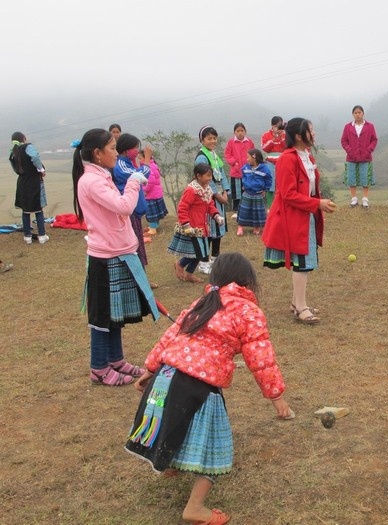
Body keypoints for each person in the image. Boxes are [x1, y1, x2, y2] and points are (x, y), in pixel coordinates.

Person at [125, 253, 293, 525]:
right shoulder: (249, 312)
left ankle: (172, 463)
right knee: (216, 446)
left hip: (166, 378)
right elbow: (262, 360)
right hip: (197, 385)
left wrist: (150, 370)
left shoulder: (203, 301)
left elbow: (169, 337)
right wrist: (277, 398)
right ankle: (195, 508)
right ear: (248, 282)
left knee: (177, 425)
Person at [71, 128, 159, 386]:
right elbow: (124, 206)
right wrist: (134, 180)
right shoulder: (92, 181)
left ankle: (116, 360)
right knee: (102, 317)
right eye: (111, 148)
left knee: (114, 314)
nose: (115, 152)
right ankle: (99, 368)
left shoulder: (101, 175)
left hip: (116, 252)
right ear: (97, 154)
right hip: (104, 256)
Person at [262, 117, 337, 324]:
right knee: (302, 262)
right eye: (310, 130)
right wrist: (317, 204)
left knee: (305, 261)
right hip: (293, 217)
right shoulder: (288, 158)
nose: (314, 134)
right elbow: (287, 194)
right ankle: (301, 307)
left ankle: (297, 303)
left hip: (306, 215)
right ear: (298, 136)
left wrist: (317, 205)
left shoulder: (307, 156)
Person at [168, 163, 225, 284]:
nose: (210, 178)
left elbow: (210, 205)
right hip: (193, 227)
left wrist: (216, 216)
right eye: (208, 176)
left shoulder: (206, 189)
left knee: (202, 253)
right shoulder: (191, 190)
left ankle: (189, 274)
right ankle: (180, 264)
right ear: (198, 176)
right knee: (198, 252)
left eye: (211, 175)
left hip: (203, 227)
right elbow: (182, 208)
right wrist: (186, 225)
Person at [113, 134, 152, 273]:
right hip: (130, 213)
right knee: (134, 248)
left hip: (135, 211)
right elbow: (141, 176)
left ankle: (142, 279)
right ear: (125, 149)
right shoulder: (121, 165)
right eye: (135, 148)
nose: (137, 151)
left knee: (138, 246)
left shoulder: (129, 163)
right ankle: (138, 280)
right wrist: (147, 159)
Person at [195, 126, 229, 275]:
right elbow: (206, 179)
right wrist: (218, 195)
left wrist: (226, 191)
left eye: (214, 138)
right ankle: (203, 262)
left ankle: (216, 259)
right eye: (209, 138)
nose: (212, 141)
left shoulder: (214, 155)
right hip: (207, 198)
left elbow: (222, 173)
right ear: (202, 140)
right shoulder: (202, 156)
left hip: (219, 197)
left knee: (218, 228)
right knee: (208, 230)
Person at [9, 132, 49, 244]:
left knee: (25, 209)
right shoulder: (28, 147)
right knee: (38, 209)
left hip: (22, 182)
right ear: (24, 138)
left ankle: (27, 236)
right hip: (33, 181)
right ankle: (42, 235)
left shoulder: (13, 152)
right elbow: (35, 157)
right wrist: (41, 169)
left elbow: (14, 167)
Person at [341, 105, 378, 209]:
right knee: (352, 178)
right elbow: (343, 141)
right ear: (353, 114)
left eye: (359, 112)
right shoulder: (348, 127)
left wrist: (368, 150)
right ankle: (354, 199)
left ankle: (365, 199)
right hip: (351, 157)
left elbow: (374, 140)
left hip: (365, 157)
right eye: (355, 113)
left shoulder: (370, 126)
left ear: (363, 113)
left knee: (365, 178)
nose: (357, 115)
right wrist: (349, 150)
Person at [237, 148, 272, 236]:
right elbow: (243, 175)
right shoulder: (245, 167)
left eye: (248, 157)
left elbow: (268, 179)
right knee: (244, 210)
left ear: (254, 158)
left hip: (258, 193)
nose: (247, 159)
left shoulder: (264, 169)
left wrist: (265, 189)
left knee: (257, 211)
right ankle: (240, 226)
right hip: (247, 193)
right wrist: (244, 184)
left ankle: (257, 226)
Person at [223, 122, 254, 217]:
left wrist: (252, 163)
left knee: (248, 191)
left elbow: (253, 153)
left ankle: (248, 210)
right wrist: (234, 163)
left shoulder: (249, 142)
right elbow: (227, 154)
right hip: (235, 172)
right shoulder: (231, 142)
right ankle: (236, 212)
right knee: (236, 192)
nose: (240, 133)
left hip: (248, 171)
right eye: (238, 131)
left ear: (245, 132)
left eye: (242, 130)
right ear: (234, 132)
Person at [140, 150, 168, 236]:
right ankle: (154, 226)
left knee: (151, 213)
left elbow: (151, 181)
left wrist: (145, 190)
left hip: (151, 195)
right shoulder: (154, 165)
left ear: (146, 158)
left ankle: (153, 229)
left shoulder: (148, 167)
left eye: (140, 158)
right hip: (156, 193)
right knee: (155, 212)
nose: (139, 160)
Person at [260, 116, 286, 210]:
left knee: (282, 184)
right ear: (272, 126)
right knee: (270, 185)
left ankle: (282, 207)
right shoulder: (266, 135)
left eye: (280, 126)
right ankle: (270, 208)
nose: (278, 128)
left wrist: (282, 136)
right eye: (276, 126)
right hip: (270, 161)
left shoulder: (285, 134)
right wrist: (274, 139)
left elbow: (287, 146)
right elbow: (265, 148)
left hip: (283, 161)